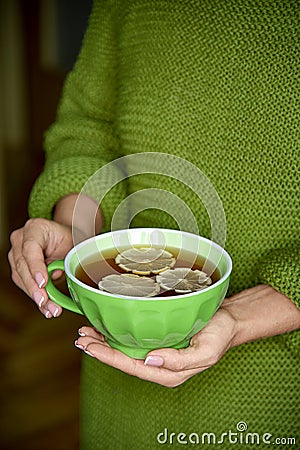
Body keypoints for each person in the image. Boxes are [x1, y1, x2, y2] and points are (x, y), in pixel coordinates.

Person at [9, 0, 300, 448]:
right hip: (117, 387)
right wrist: (80, 233)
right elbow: (89, 126)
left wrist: (241, 317)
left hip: (276, 394)